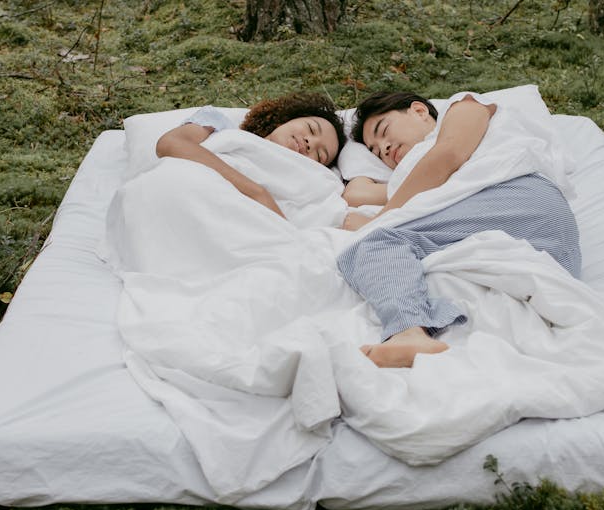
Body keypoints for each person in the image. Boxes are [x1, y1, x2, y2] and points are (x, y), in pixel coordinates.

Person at [337, 91, 581, 368]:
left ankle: (408, 332)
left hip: (517, 196)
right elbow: (355, 194)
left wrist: (378, 220)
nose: (384, 148)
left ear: (419, 111)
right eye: (375, 151)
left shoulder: (465, 107)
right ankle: (421, 336)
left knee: (375, 244)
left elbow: (448, 155)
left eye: (383, 131)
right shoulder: (408, 178)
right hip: (549, 252)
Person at [156, 92, 347, 219]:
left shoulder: (297, 185)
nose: (310, 143)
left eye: (320, 154)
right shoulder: (220, 126)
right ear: (287, 118)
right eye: (311, 129)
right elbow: (170, 145)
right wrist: (256, 192)